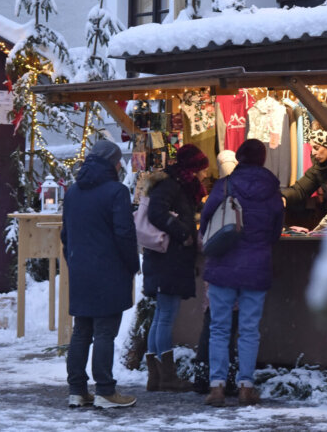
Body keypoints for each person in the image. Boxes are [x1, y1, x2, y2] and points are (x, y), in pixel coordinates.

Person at [198, 139, 284, 407]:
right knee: (249, 329)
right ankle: (246, 386)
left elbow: (206, 221)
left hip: (223, 265)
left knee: (219, 328)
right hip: (256, 266)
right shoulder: (272, 190)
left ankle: (217, 387)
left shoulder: (225, 186)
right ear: (262, 159)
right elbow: (275, 230)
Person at [60, 139, 140, 409]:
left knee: (82, 331)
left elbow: (66, 235)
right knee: (105, 331)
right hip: (109, 269)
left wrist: (75, 262)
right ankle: (105, 390)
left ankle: (77, 391)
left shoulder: (72, 192)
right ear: (112, 163)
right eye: (118, 161)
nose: (120, 165)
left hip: (81, 269)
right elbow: (124, 233)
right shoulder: (116, 191)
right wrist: (132, 264)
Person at [141, 143, 209, 392]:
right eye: (201, 169)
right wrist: (183, 234)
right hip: (168, 258)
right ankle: (166, 376)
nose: (204, 175)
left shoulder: (175, 185)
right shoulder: (171, 185)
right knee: (166, 315)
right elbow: (157, 214)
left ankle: (156, 376)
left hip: (165, 258)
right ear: (190, 169)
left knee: (161, 315)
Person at [280, 128, 327, 229]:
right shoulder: (319, 169)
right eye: (312, 148)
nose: (313, 153)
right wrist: (284, 197)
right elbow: (300, 189)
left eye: (316, 148)